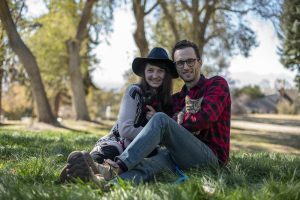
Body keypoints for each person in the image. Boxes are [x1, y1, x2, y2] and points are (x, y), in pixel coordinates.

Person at [62, 40, 231, 186]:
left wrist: (170, 122)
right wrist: (136, 93)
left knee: (161, 120)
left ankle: (115, 167)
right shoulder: (177, 99)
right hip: (179, 155)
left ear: (199, 62)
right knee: (148, 166)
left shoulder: (216, 84)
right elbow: (149, 108)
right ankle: (101, 181)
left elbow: (203, 118)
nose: (185, 66)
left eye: (190, 61)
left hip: (211, 158)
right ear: (176, 67)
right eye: (180, 63)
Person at [60, 47, 178, 183]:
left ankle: (88, 177)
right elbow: (125, 130)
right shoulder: (134, 92)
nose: (155, 75)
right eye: (150, 70)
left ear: (166, 74)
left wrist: (158, 123)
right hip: (118, 143)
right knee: (99, 158)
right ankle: (80, 169)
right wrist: (155, 133)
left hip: (143, 152)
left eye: (160, 71)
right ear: (144, 73)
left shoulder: (169, 102)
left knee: (149, 162)